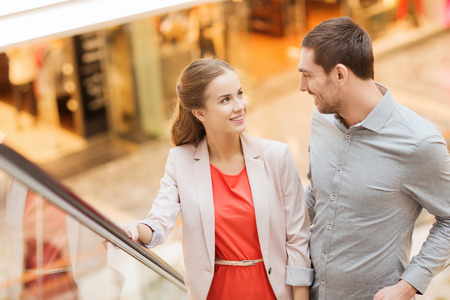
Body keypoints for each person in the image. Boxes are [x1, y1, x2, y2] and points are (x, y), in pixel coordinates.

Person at [122, 58, 313, 299]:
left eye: (239, 94)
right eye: (225, 100)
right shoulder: (180, 162)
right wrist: (135, 230)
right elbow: (158, 224)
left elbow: (297, 239)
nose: (240, 106)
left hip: (271, 291)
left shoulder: (276, 157)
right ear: (200, 112)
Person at [297, 16, 450, 300]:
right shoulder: (320, 122)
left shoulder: (419, 143)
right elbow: (317, 194)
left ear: (340, 74)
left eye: (308, 75)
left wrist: (407, 286)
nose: (302, 87)